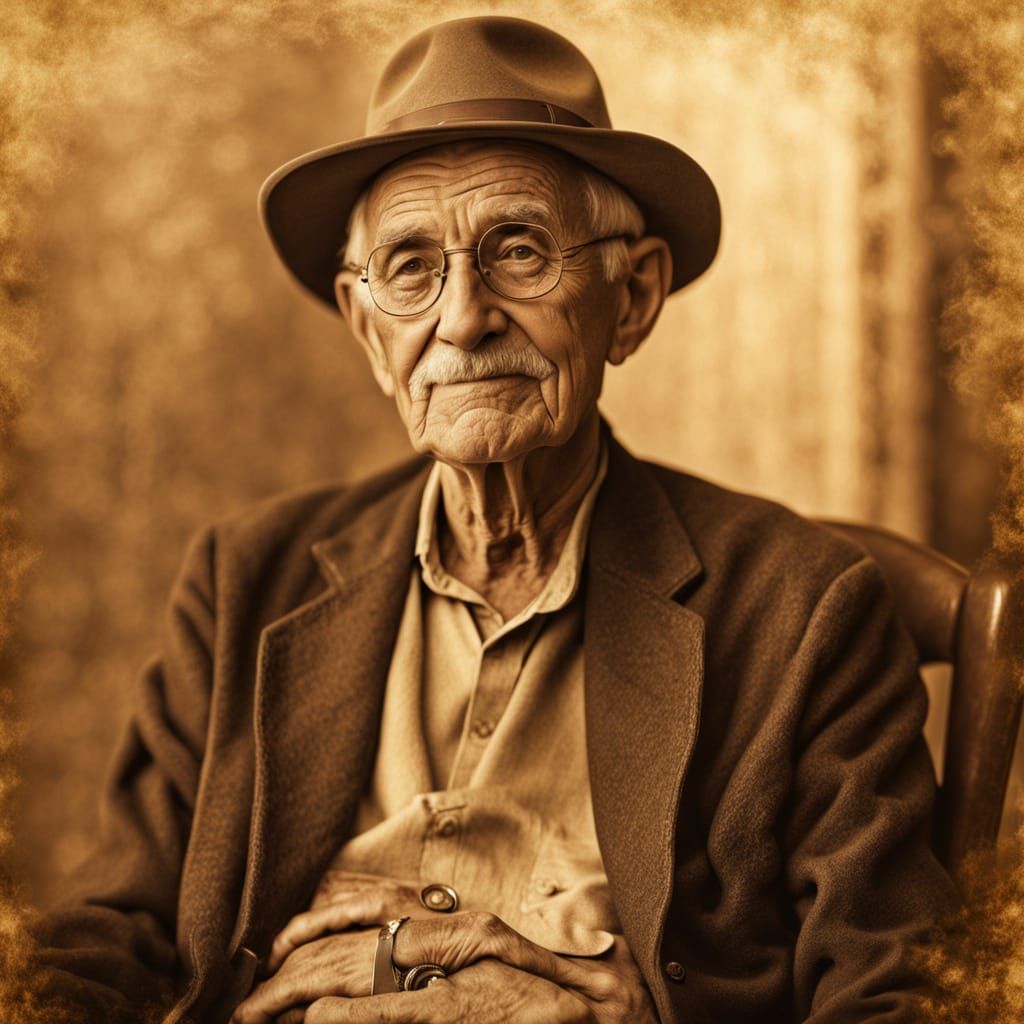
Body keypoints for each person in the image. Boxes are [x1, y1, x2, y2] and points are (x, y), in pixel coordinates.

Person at [29, 15, 955, 1024]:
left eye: (518, 252)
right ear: (367, 328)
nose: (463, 318)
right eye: (411, 268)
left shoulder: (803, 605)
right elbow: (107, 939)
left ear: (631, 295)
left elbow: (897, 996)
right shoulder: (246, 577)